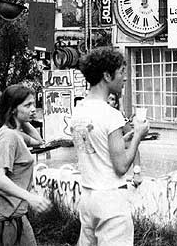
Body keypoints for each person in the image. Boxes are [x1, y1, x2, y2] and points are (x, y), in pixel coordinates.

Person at [71, 47, 149, 246]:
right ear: (107, 75)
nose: (125, 78)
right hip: (111, 201)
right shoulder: (111, 115)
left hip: (88, 197)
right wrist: (138, 135)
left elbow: (95, 147)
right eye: (122, 72)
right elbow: (121, 166)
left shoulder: (79, 110)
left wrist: (123, 141)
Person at [0, 84, 51, 246]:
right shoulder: (8, 136)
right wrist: (30, 197)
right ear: (13, 109)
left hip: (15, 213)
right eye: (27, 105)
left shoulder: (16, 133)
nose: (33, 109)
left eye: (34, 104)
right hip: (3, 215)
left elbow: (39, 141)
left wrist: (21, 119)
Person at [107, 92, 142, 187]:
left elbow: (132, 144)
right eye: (107, 98)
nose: (108, 102)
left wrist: (137, 172)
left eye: (112, 99)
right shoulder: (95, 119)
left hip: (115, 172)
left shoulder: (119, 119)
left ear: (116, 104)